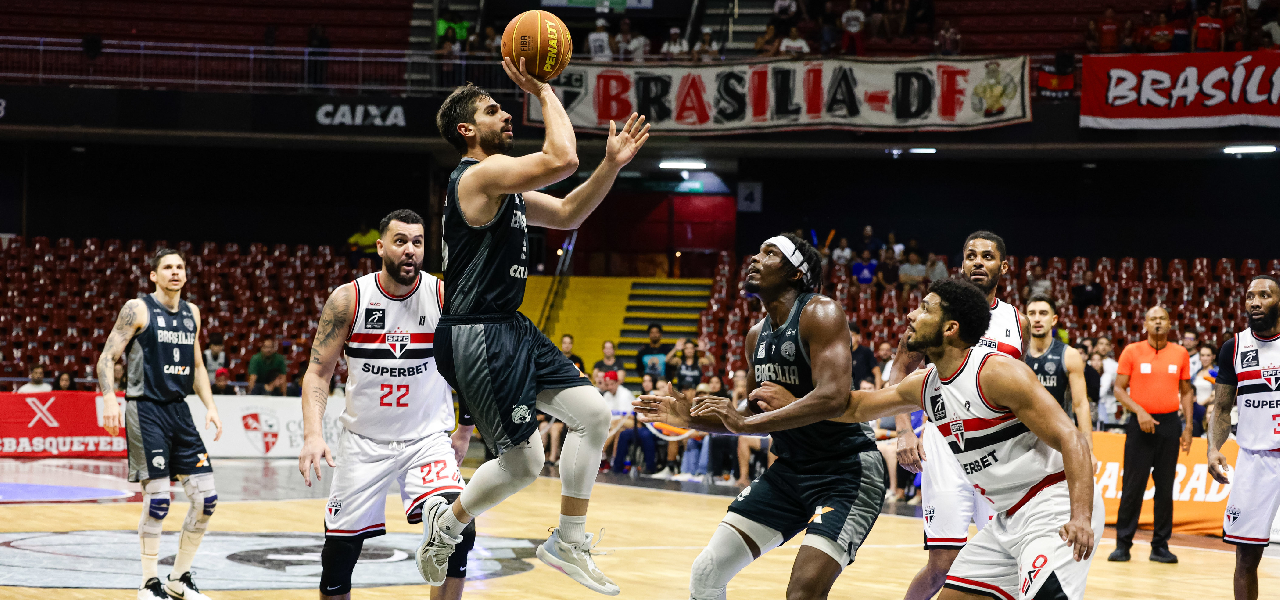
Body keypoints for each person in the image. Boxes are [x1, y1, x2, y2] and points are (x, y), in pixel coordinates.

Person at [426, 61, 649, 595]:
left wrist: (611, 166)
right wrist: (543, 88)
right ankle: (448, 524)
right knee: (525, 462)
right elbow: (562, 158)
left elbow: (571, 211)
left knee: (594, 414)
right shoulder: (478, 176)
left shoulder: (507, 192)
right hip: (477, 333)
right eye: (492, 110)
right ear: (466, 130)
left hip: (510, 326)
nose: (505, 114)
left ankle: (569, 540)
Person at [744, 278, 1101, 600]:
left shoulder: (998, 373)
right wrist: (795, 402)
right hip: (1007, 518)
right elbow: (853, 408)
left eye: (924, 308)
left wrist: (1081, 517)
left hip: (1052, 509)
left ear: (950, 328)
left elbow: (1073, 439)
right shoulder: (925, 384)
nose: (912, 315)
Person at [634, 233, 884, 600]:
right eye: (757, 251)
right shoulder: (756, 336)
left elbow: (833, 398)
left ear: (796, 273)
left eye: (770, 254)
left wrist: (747, 422)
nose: (754, 258)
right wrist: (688, 419)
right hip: (790, 472)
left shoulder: (821, 312)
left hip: (845, 470)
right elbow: (749, 412)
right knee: (706, 572)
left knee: (802, 594)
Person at [296, 210, 476, 600]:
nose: (409, 250)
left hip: (426, 441)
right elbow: (317, 372)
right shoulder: (349, 299)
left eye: (417, 242)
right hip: (364, 444)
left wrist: (464, 430)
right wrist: (313, 434)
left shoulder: (444, 296)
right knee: (338, 560)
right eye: (400, 241)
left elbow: (468, 370)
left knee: (459, 533)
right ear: (380, 247)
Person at [890, 230, 1028, 600]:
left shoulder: (1018, 322)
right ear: (962, 263)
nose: (978, 262)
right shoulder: (933, 314)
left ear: (1003, 265)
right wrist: (904, 430)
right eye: (971, 255)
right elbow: (900, 371)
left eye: (986, 255)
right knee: (943, 566)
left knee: (1001, 560)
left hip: (999, 453)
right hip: (945, 445)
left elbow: (1021, 390)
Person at [96, 248, 223, 600]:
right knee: (158, 502)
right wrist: (109, 398)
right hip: (145, 409)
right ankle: (148, 583)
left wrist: (210, 406)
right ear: (154, 275)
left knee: (207, 501)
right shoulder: (138, 308)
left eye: (180, 266)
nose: (175, 272)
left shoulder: (192, 313)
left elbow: (197, 367)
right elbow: (107, 356)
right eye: (167, 267)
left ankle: (178, 579)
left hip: (179, 411)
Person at [1207, 275, 1280, 600]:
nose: (1254, 301)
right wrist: (1212, 448)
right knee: (1246, 558)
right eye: (1250, 295)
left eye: (1264, 295)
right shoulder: (1233, 348)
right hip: (1255, 461)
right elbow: (1222, 409)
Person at [1108, 306, 1193, 564]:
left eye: (1162, 318)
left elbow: (1186, 391)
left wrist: (1188, 425)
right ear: (1145, 324)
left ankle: (1160, 546)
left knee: (1165, 488)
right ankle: (1123, 544)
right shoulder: (1132, 351)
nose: (1157, 322)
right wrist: (1140, 412)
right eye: (1153, 318)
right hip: (1139, 424)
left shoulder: (1180, 353)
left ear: (1170, 323)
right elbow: (1119, 389)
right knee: (1133, 486)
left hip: (1169, 424)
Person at [1025, 296, 1095, 447]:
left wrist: (1088, 446)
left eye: (1043, 313)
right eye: (1032, 313)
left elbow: (1081, 404)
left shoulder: (1069, 355)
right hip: (1020, 436)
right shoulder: (1015, 354)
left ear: (1054, 319)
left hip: (1057, 436)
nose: (1037, 319)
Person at [602, 371, 652, 473]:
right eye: (607, 385)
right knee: (618, 430)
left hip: (634, 422)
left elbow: (627, 417)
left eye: (612, 384)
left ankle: (600, 453)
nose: (610, 387)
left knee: (618, 424)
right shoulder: (606, 395)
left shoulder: (624, 394)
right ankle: (613, 461)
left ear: (617, 383)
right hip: (618, 425)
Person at [1095, 336, 1123, 428]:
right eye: (1101, 344)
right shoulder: (1089, 363)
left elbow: (1120, 386)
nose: (1103, 347)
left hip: (1109, 407)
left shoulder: (1115, 366)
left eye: (1107, 344)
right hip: (1092, 408)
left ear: (1110, 348)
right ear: (1096, 346)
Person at [1190, 345, 1215, 437]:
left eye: (1208, 355)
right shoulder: (1196, 373)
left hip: (1210, 409)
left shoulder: (1217, 372)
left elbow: (1219, 392)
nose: (1205, 358)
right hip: (1196, 409)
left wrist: (1202, 404)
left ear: (1213, 357)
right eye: (1202, 355)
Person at [850, 323, 882, 389]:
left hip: (866, 392)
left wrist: (877, 392)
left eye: (851, 335)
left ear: (858, 337)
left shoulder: (866, 352)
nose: (848, 338)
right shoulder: (842, 355)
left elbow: (877, 373)